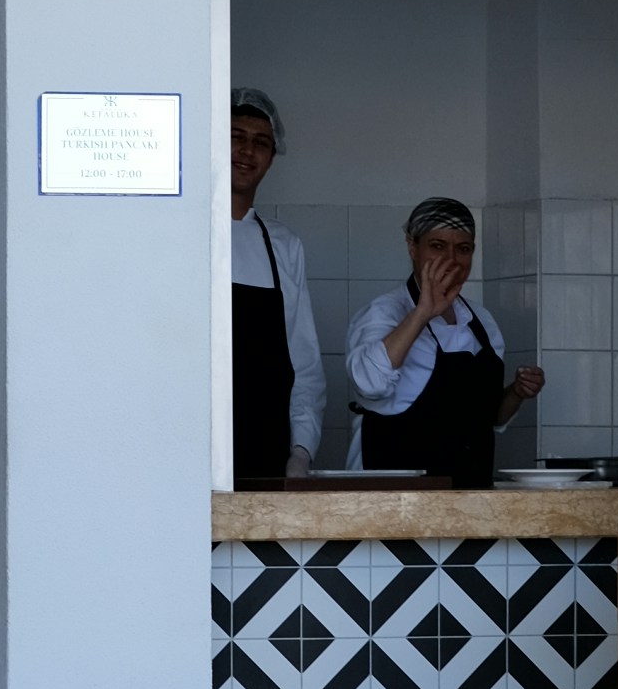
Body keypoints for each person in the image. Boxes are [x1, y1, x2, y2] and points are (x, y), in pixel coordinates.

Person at [346, 196, 548, 491]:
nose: (451, 259)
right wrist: (422, 313)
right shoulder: (384, 313)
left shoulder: (482, 321)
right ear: (412, 247)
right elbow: (369, 384)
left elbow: (489, 419)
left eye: (462, 249)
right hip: (390, 499)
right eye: (437, 246)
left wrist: (517, 392)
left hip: (468, 497)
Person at [227, 86, 324, 487]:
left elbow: (304, 363)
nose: (248, 151)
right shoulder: (178, 235)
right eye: (236, 137)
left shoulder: (283, 245)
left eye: (261, 143)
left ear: (271, 158)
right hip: (186, 446)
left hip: (266, 451)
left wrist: (300, 450)